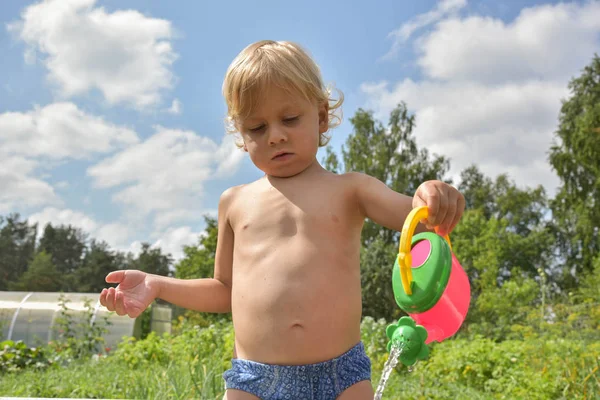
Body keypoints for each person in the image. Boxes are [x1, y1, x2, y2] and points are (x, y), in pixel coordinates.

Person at [99, 40, 465, 400]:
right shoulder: (235, 202)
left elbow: (419, 219)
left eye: (290, 119)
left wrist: (433, 196)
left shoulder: (352, 190)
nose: (275, 136)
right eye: (256, 128)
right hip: (254, 381)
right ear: (241, 135)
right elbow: (225, 291)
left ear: (321, 117)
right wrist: (157, 284)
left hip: (341, 377)